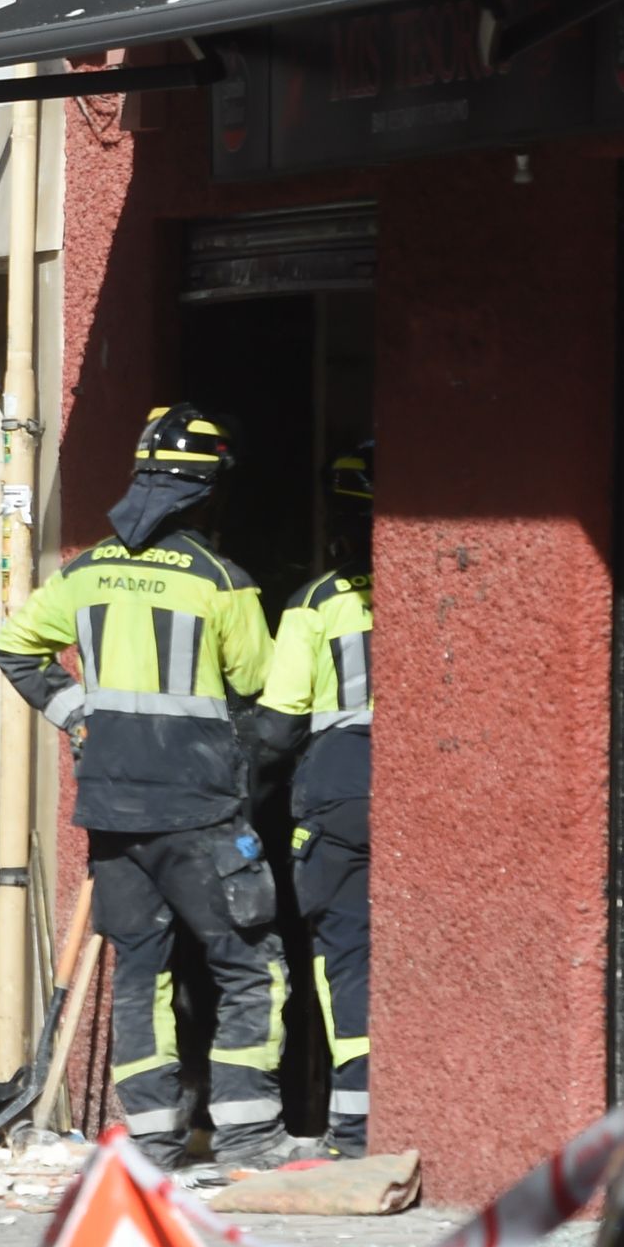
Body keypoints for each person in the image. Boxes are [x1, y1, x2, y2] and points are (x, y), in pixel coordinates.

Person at [0, 405, 288, 1171]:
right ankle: (250, 1135)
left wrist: (79, 719)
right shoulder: (223, 582)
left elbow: (14, 648)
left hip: (113, 811)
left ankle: (153, 1139)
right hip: (201, 809)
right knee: (249, 963)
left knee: (140, 973)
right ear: (206, 494)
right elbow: (258, 685)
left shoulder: (84, 571)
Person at [258, 440, 375, 1158]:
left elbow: (278, 722)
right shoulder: (441, 588)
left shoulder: (318, 602)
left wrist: (246, 794)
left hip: (342, 788)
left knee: (346, 955)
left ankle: (359, 1127)